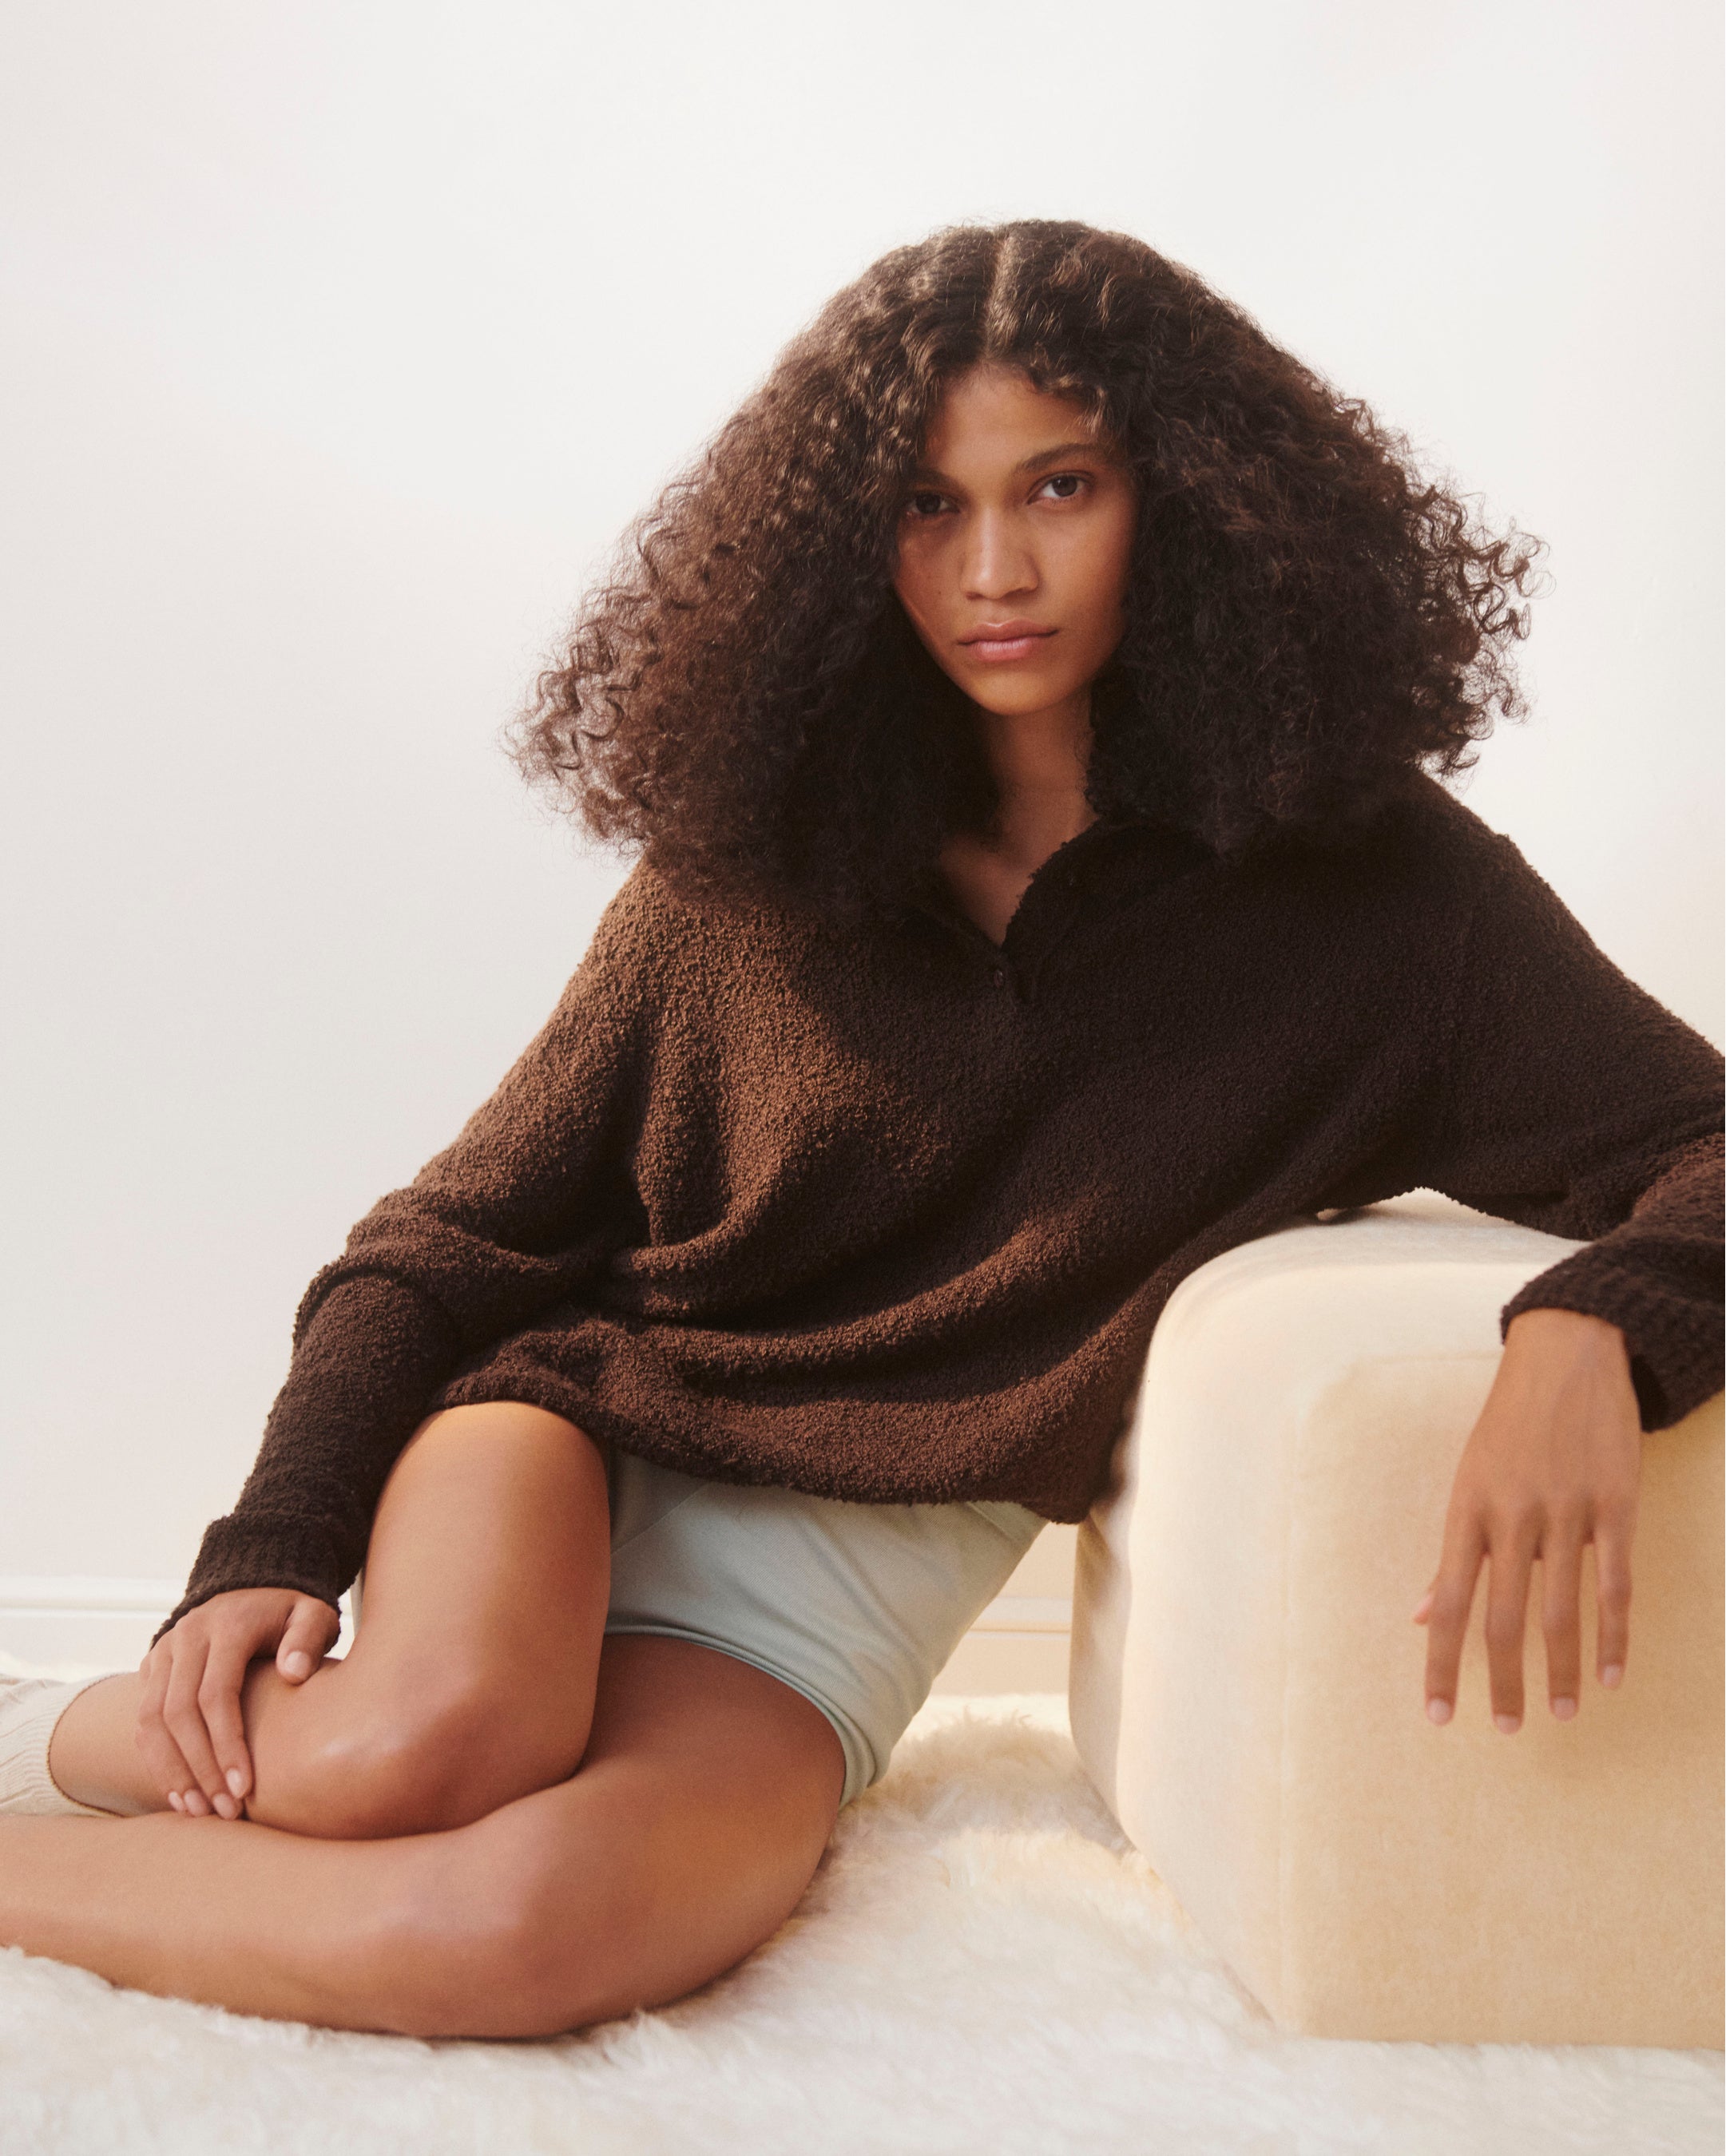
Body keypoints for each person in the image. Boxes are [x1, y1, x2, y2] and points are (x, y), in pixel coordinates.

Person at [2, 220, 1720, 2039]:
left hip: (844, 1575)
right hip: (566, 1434)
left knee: (512, 1935)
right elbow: (452, 1239)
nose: (993, 569)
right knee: (408, 1752)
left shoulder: (1378, 900)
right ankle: (44, 1726)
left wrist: (1585, 1333)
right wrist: (269, 1546)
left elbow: (1695, 1136)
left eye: (1059, 486)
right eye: (923, 505)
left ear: (1195, 498)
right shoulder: (762, 857)